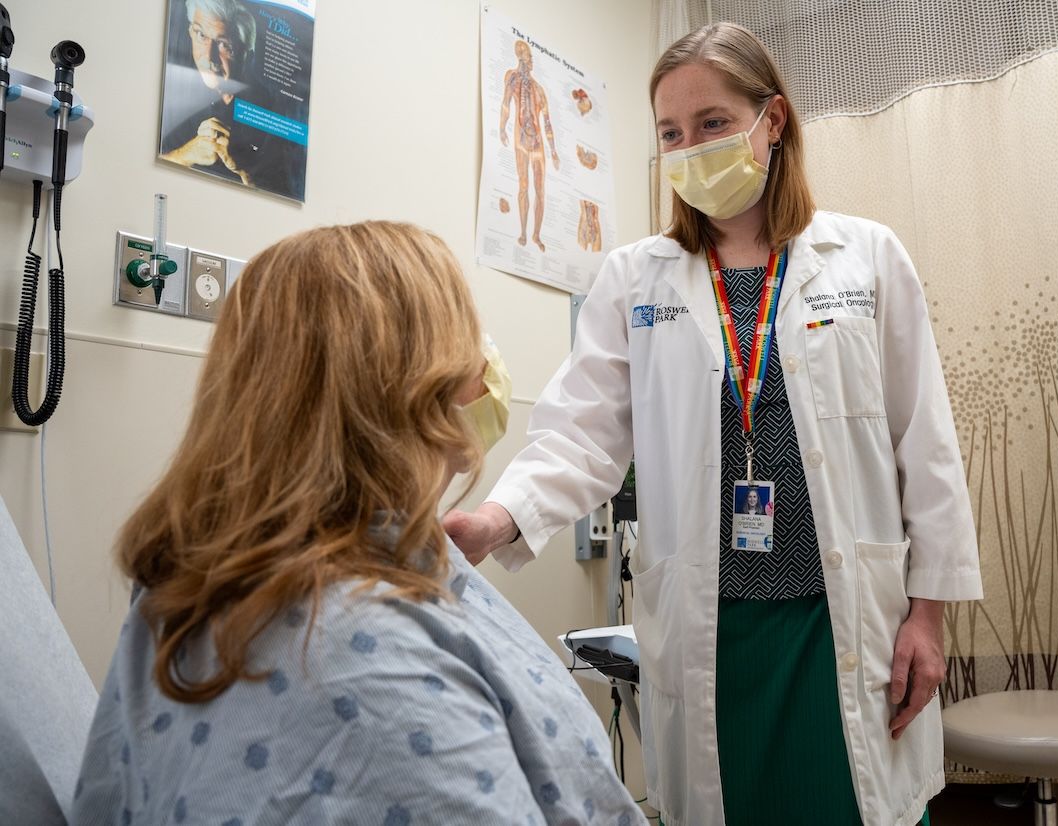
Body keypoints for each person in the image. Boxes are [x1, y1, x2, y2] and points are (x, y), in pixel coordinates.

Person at [447, 22, 982, 826]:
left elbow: (926, 445)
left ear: (773, 122)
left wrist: (929, 615)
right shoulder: (636, 278)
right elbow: (581, 432)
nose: (690, 147)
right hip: (711, 634)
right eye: (671, 132)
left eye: (713, 124)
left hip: (838, 622)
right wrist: (496, 518)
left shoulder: (866, 258)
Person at [69, 222, 642, 826]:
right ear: (414, 391)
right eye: (471, 340)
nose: (486, 364)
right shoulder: (373, 669)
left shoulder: (185, 589)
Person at [160, 0, 307, 200]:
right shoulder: (173, 89)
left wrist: (243, 169)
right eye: (201, 35)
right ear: (189, 32)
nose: (209, 57)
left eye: (223, 44)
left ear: (247, 54)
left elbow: (289, 195)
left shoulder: (275, 112)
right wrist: (186, 154)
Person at [500, 40, 561, 252]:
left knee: (540, 191)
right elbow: (506, 103)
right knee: (523, 185)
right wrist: (502, 128)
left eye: (531, 57)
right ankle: (524, 232)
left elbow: (547, 122)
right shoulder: (513, 78)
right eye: (527, 57)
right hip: (521, 140)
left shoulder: (538, 89)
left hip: (538, 144)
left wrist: (553, 150)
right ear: (521, 58)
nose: (531, 61)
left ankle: (536, 234)